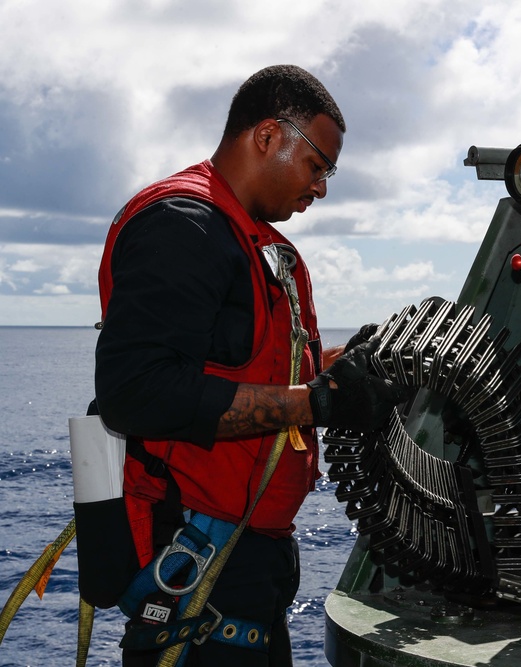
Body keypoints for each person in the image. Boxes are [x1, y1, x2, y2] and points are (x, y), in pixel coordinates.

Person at [94, 64, 404, 666]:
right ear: (267, 135)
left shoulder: (244, 239)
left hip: (242, 572)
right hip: (198, 565)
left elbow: (250, 368)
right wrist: (317, 402)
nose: (321, 189)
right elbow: (136, 391)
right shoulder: (183, 228)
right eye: (317, 166)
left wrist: (348, 367)